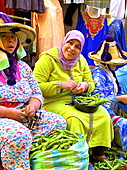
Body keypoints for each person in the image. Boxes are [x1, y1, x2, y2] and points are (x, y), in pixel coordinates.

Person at [0, 9, 67, 170]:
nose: (11, 41)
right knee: (17, 135)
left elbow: (36, 93)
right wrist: (9, 113)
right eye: (4, 36)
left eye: (13, 37)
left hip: (22, 115)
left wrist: (33, 106)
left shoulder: (22, 67)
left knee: (58, 123)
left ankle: (35, 161)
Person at [33, 30, 113, 161]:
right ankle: (78, 156)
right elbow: (35, 86)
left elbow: (91, 83)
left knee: (102, 114)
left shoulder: (81, 60)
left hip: (77, 101)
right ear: (64, 42)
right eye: (70, 43)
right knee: (74, 119)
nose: (72, 49)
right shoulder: (48, 58)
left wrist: (85, 86)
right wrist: (60, 85)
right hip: (52, 102)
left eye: (77, 47)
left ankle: (97, 152)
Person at [89, 36, 127, 150]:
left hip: (114, 108)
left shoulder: (110, 72)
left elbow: (117, 91)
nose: (115, 66)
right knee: (123, 123)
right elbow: (99, 98)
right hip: (103, 112)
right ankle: (122, 147)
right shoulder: (98, 74)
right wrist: (119, 99)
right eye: (113, 64)